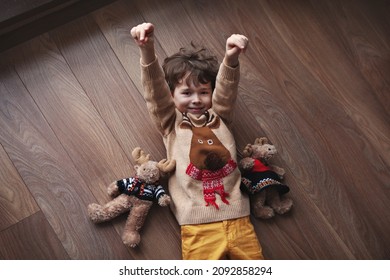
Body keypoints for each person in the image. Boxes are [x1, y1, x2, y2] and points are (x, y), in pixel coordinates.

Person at [131, 22, 264, 260]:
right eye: (186, 93)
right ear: (172, 96)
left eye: (203, 92)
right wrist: (147, 51)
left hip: (239, 218)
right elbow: (155, 92)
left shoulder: (219, 116)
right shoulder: (170, 123)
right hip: (197, 225)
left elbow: (226, 90)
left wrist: (231, 59)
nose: (196, 99)